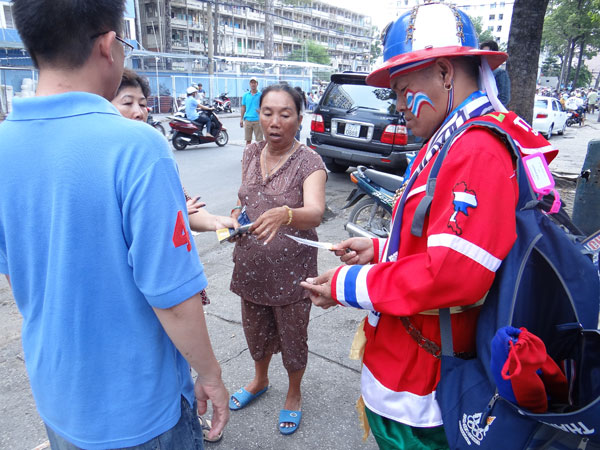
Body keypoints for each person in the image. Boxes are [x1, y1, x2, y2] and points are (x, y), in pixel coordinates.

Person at [0, 1, 229, 448]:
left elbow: (17, 272)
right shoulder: (137, 146)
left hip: (58, 395)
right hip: (140, 409)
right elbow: (174, 297)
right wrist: (211, 374)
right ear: (107, 46)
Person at [302, 3, 521, 448]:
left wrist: (347, 284)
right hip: (411, 368)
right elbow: (440, 244)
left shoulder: (475, 147)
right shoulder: (451, 137)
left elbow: (452, 275)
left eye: (403, 88)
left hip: (427, 385)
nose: (399, 104)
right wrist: (381, 251)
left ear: (444, 72)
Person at [228, 84, 327, 435]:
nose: (274, 121)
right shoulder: (251, 152)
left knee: (292, 337)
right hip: (251, 265)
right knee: (255, 331)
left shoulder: (309, 161)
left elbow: (315, 212)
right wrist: (239, 216)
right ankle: (259, 380)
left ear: (299, 119)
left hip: (292, 271)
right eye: (268, 112)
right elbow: (246, 198)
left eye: (285, 114)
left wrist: (285, 214)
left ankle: (295, 393)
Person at [111, 70, 235, 239]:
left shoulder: (154, 153)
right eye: (127, 103)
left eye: (142, 104)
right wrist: (169, 213)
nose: (139, 113)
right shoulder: (101, 161)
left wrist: (216, 222)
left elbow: (184, 206)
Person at [480, 40, 511, 107]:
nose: (484, 57)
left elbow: (504, 98)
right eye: (482, 54)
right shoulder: (479, 72)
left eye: (487, 54)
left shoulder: (500, 73)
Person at [240, 76, 263, 145]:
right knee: (248, 140)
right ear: (249, 84)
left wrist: (261, 113)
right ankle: (248, 154)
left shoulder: (261, 95)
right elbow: (243, 107)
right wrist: (241, 119)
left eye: (254, 82)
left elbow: (264, 106)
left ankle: (259, 155)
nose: (253, 84)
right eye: (251, 82)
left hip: (258, 120)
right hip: (248, 120)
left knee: (259, 141)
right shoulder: (245, 95)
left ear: (257, 84)